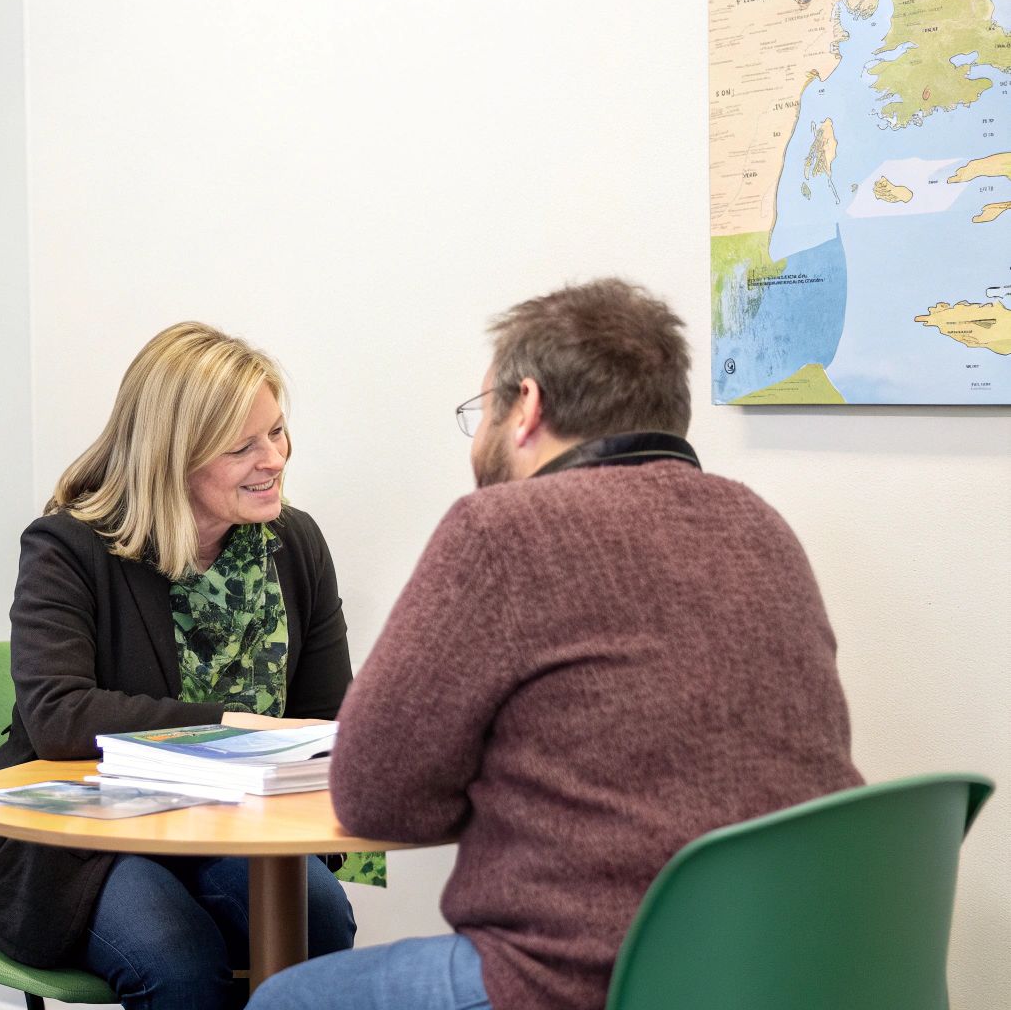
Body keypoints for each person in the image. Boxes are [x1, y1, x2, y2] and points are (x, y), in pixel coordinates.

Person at [249, 280, 862, 1010]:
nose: (478, 440)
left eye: (484, 412)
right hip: (805, 966)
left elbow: (372, 794)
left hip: (593, 979)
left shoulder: (502, 528)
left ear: (527, 408)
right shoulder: (760, 527)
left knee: (286, 1000)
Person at [0, 321, 358, 1010]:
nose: (274, 459)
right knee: (179, 961)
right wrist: (229, 725)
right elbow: (59, 716)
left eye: (277, 432)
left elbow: (327, 721)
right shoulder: (69, 548)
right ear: (173, 457)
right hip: (89, 837)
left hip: (236, 824)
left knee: (319, 922)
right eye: (242, 446)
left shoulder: (296, 544)